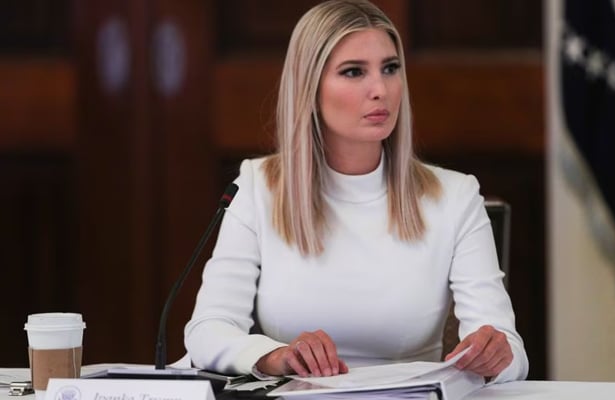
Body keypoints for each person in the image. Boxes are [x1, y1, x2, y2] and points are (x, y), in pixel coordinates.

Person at [184, 0, 528, 384]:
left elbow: (511, 352)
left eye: (390, 68)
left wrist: (497, 354)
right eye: (353, 72)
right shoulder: (256, 187)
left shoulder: (456, 196)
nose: (380, 89)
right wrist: (276, 356)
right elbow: (207, 330)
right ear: (309, 88)